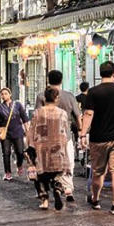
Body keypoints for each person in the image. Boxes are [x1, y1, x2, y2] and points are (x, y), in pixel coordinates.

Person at [81, 61, 114, 214]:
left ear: (100, 73)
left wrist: (83, 133)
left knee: (98, 172)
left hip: (98, 138)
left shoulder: (93, 92)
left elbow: (89, 114)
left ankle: (96, 200)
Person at [35, 70, 81, 201]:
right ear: (62, 80)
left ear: (48, 79)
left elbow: (37, 116)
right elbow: (78, 116)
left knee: (47, 164)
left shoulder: (41, 96)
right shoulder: (70, 96)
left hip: (46, 137)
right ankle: (67, 188)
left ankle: (52, 187)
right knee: (67, 162)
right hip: (64, 137)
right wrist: (80, 131)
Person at [28, 87, 69, 211]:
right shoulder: (62, 113)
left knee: (41, 175)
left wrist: (30, 146)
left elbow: (32, 130)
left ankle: (44, 200)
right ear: (56, 98)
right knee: (58, 174)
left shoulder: (37, 112)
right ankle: (57, 189)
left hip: (41, 148)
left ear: (45, 98)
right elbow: (65, 130)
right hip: (58, 148)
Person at [0, 87, 28, 181]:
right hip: (5, 133)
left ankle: (19, 165)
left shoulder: (17, 105)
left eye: (5, 93)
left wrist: (28, 131)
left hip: (17, 131)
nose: (4, 96)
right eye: (2, 94)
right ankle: (7, 173)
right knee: (6, 153)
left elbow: (25, 118)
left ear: (10, 94)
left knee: (20, 152)